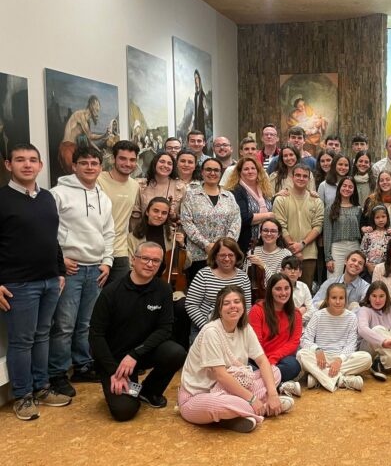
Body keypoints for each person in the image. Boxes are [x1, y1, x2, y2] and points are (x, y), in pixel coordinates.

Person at [0, 144, 71, 420]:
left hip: (50, 281)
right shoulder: (3, 199)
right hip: (18, 285)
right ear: (9, 165)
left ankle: (42, 388)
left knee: (43, 336)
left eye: (32, 160)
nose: (27, 165)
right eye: (20, 160)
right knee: (22, 342)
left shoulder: (47, 199)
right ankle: (23, 395)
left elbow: (52, 239)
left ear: (40, 165)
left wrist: (60, 271)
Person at [89, 242, 187, 421]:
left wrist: (135, 354)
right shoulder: (111, 291)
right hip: (116, 361)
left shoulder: (163, 289)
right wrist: (113, 372)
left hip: (141, 353)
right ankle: (134, 389)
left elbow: (165, 329)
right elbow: (96, 336)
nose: (150, 264)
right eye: (145, 258)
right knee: (124, 411)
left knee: (176, 352)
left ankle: (148, 392)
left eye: (156, 261)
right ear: (133, 260)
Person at [178, 285, 293, 433]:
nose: (233, 306)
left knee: (274, 371)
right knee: (222, 404)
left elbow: (263, 361)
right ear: (219, 310)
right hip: (199, 396)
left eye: (237, 302)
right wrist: (252, 399)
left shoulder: (245, 328)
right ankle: (262, 408)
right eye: (226, 303)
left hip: (231, 389)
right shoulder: (211, 332)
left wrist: (273, 394)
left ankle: (236, 415)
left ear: (244, 306)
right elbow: (220, 375)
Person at [48, 146, 115, 397]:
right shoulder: (58, 194)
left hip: (95, 269)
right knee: (64, 324)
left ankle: (83, 365)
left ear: (100, 167)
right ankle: (57, 373)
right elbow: (47, 231)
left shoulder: (102, 197)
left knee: (86, 323)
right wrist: (60, 260)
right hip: (71, 268)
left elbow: (109, 232)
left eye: (94, 163)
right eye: (84, 163)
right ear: (74, 166)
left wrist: (107, 261)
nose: (89, 167)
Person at [297, 283, 373, 392]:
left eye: (341, 298)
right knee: (301, 355)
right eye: (334, 298)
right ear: (328, 299)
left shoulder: (351, 317)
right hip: (321, 359)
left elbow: (351, 345)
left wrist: (339, 360)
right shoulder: (318, 315)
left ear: (345, 300)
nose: (338, 302)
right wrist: (317, 350)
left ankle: (319, 378)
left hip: (341, 358)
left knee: (366, 358)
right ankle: (341, 380)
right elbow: (305, 339)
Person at [180, 158, 240, 284]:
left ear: (220, 173)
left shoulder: (229, 196)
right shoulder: (191, 196)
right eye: (208, 169)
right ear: (202, 172)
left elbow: (236, 222)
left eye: (216, 170)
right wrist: (206, 245)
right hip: (199, 256)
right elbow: (187, 222)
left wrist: (225, 247)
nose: (212, 173)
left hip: (225, 256)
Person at [185, 237, 252, 342]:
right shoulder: (203, 275)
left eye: (231, 255)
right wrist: (208, 329)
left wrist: (235, 328)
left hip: (234, 329)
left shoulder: (243, 277)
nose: (227, 259)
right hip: (204, 328)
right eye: (222, 255)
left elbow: (247, 307)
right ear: (215, 256)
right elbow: (191, 304)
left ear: (237, 256)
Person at [248, 273, 303, 399]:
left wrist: (273, 359)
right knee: (246, 368)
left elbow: (294, 343)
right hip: (257, 359)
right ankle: (280, 386)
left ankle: (261, 387)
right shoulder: (258, 310)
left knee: (293, 365)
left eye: (286, 288)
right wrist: (265, 363)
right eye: (278, 289)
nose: (283, 293)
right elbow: (255, 342)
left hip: (279, 360)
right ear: (270, 291)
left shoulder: (296, 314)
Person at [273, 164, 324, 288]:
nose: (301, 178)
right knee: (284, 289)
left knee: (304, 290)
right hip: (285, 253)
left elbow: (317, 226)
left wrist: (302, 244)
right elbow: (281, 226)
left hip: (309, 254)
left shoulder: (316, 200)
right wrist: (293, 247)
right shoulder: (281, 200)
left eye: (305, 176)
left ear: (309, 179)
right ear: (292, 177)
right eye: (298, 175)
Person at [98, 140, 140, 285]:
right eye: (122, 158)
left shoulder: (135, 186)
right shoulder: (98, 180)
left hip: (120, 250)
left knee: (119, 298)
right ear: (113, 159)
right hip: (97, 251)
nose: (127, 163)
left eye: (132, 160)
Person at [225, 155, 274, 254]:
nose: (250, 171)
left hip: (266, 244)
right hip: (246, 244)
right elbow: (243, 218)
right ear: (240, 172)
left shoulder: (264, 188)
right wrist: (269, 215)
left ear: (258, 170)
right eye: (246, 169)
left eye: (253, 168)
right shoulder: (236, 190)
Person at [131, 151, 187, 230]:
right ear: (155, 163)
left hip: (170, 234)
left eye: (169, 163)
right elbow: (135, 216)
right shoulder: (141, 185)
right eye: (162, 162)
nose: (165, 165)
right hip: (144, 233)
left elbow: (184, 217)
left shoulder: (180, 187)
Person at [323, 177, 362, 279]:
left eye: (350, 187)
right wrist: (328, 258)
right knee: (334, 279)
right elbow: (327, 234)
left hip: (354, 246)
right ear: (339, 188)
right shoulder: (330, 208)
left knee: (353, 278)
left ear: (354, 190)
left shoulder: (358, 209)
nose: (347, 189)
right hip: (337, 247)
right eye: (344, 186)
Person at [58, 95, 103, 174]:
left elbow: (89, 141)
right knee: (75, 176)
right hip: (67, 149)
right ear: (92, 105)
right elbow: (90, 136)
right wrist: (104, 135)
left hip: (74, 149)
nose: (97, 111)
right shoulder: (80, 115)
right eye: (96, 108)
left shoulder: (87, 122)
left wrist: (99, 151)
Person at [248, 219, 292, 290]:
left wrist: (263, 265)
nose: (269, 234)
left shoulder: (286, 254)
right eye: (265, 230)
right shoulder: (253, 252)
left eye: (273, 231)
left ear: (279, 234)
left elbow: (279, 283)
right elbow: (247, 277)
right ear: (261, 233)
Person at [361, 169, 391, 234]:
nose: (385, 182)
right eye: (381, 180)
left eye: (388, 179)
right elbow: (363, 222)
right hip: (374, 240)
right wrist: (364, 228)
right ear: (378, 184)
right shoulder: (370, 200)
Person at [281, 256, 315, 325]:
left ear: (300, 273)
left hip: (302, 328)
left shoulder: (304, 287)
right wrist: (299, 312)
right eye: (289, 269)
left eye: (296, 269)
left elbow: (311, 310)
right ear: (282, 271)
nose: (293, 272)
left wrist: (297, 319)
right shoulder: (277, 288)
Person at [360, 205, 391, 276]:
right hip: (369, 269)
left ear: (387, 217)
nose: (381, 220)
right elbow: (362, 251)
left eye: (383, 216)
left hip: (385, 269)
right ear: (373, 219)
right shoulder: (368, 234)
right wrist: (368, 265)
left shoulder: (390, 234)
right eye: (377, 217)